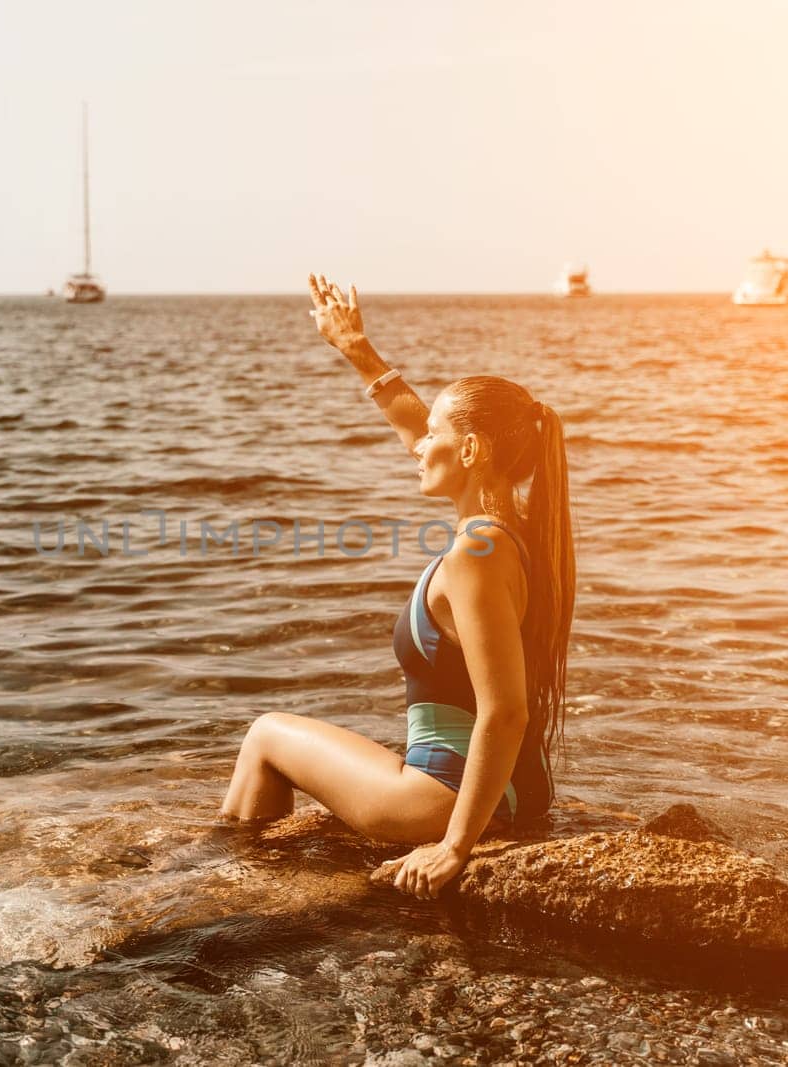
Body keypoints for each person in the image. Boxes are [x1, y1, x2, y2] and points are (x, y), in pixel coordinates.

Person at [219, 274, 575, 900]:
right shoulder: (514, 531)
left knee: (266, 734)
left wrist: (453, 847)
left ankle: (234, 889)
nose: (417, 446)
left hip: (443, 796)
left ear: (470, 450)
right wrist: (356, 348)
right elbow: (418, 431)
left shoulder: (476, 553)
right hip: (515, 786)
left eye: (436, 435)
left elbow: (506, 709)